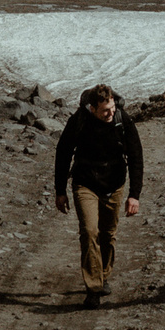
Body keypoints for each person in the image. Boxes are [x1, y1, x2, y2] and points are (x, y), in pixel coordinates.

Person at [53, 83, 142, 305]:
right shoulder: (79, 121)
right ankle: (93, 288)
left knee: (108, 234)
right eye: (105, 111)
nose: (110, 114)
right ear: (92, 109)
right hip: (85, 183)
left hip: (114, 184)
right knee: (89, 231)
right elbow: (63, 153)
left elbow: (136, 156)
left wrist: (134, 195)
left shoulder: (122, 119)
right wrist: (60, 190)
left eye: (112, 109)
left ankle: (103, 275)